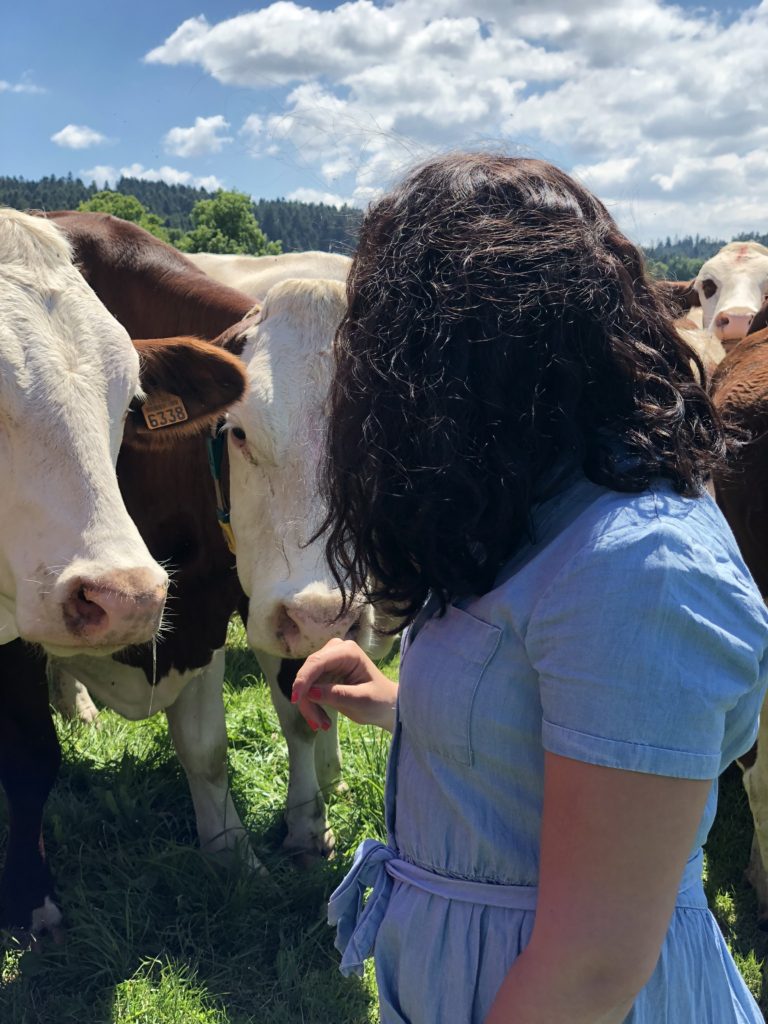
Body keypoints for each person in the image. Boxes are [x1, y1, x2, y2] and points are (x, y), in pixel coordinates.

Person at [291, 153, 768, 1023]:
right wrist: (400, 697)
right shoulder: (537, 503)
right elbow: (570, 734)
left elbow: (587, 973)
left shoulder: (642, 570)